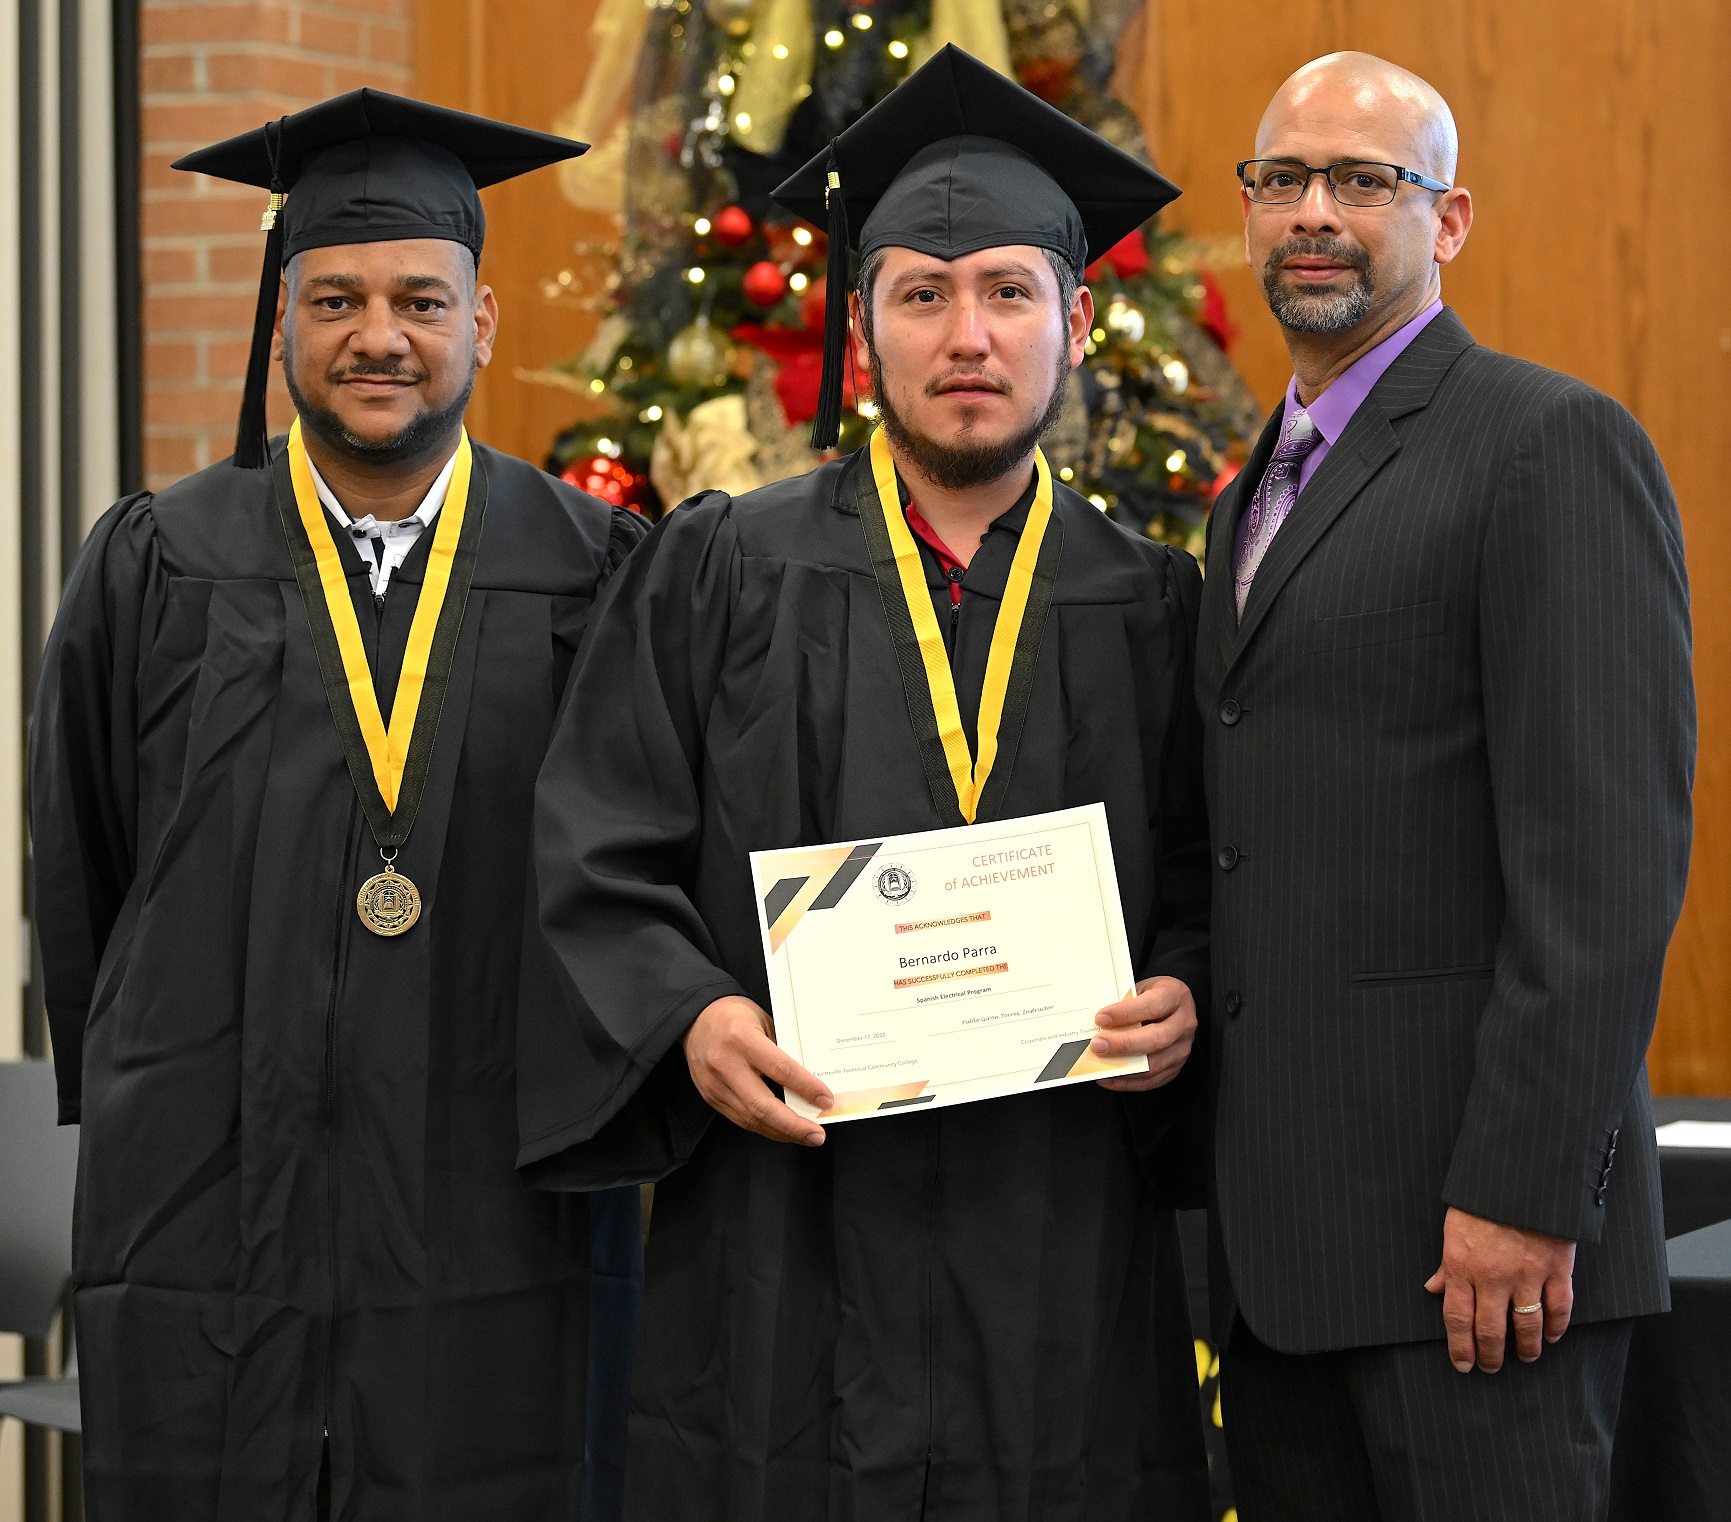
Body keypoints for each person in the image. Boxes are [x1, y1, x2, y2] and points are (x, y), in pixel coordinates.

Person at [519, 44, 1213, 1522]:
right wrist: (688, 1016)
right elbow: (596, 848)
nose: (969, 333)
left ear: (1077, 323)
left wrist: (1188, 992)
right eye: (923, 292)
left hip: (1058, 1241)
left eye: (1009, 291)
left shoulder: (1153, 604)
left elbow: (1225, 875)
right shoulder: (724, 568)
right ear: (864, 323)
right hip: (788, 1240)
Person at [30, 91, 647, 1521]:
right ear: (283, 312)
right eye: (339, 298)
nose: (381, 334)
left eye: (421, 299)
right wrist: (153, 1073)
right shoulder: (155, 563)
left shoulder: (595, 572)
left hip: (496, 1196)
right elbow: (88, 869)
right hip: (209, 1186)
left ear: (484, 320)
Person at [1197, 52, 1694, 1519]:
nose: (1315, 213)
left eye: (1366, 179)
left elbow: (1602, 865)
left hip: (1476, 1263)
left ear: (1451, 217)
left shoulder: (1547, 444)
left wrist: (1530, 1194)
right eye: (1282, 178)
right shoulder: (1245, 502)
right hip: (1289, 1266)